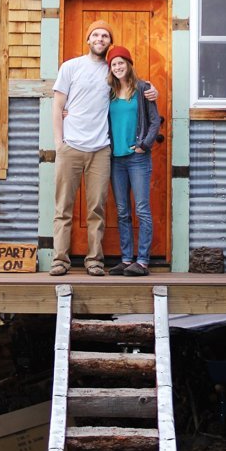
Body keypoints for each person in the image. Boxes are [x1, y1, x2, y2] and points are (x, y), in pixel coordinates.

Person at [50, 21, 157, 277]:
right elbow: (57, 105)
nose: (100, 39)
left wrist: (152, 88)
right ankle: (60, 260)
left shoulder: (111, 73)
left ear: (109, 43)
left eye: (105, 36)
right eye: (96, 34)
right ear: (88, 39)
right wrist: (59, 143)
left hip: (101, 150)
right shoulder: (71, 67)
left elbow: (132, 88)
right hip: (71, 147)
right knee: (63, 207)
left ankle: (94, 260)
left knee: (96, 209)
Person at [106, 46, 161, 277]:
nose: (118, 67)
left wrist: (144, 145)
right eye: (113, 64)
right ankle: (127, 259)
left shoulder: (143, 89)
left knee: (142, 209)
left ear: (128, 64)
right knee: (122, 211)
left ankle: (143, 261)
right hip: (115, 159)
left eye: (121, 62)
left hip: (137, 159)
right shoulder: (108, 92)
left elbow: (154, 121)